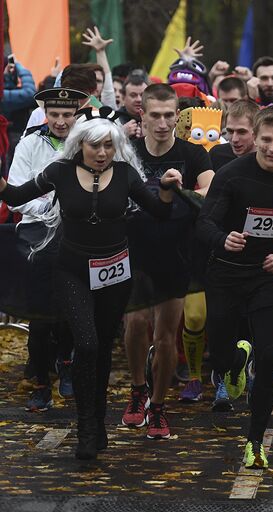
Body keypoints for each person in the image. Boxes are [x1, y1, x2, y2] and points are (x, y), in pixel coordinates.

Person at [0, 109, 182, 459]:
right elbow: (17, 197)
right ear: (79, 145)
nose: (102, 153)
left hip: (115, 274)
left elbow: (158, 212)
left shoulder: (126, 175)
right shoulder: (60, 171)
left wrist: (168, 190)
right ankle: (86, 429)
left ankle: (98, 423)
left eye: (109, 147)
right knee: (85, 345)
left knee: (99, 350)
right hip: (72, 271)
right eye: (95, 146)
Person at [197, 106, 273, 467]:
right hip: (226, 275)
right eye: (266, 140)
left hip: (269, 277)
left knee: (268, 356)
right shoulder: (232, 175)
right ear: (256, 138)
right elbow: (204, 223)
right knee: (218, 355)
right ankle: (233, 362)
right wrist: (223, 238)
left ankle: (255, 442)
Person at [121, 84, 214, 439]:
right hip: (135, 252)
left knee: (164, 337)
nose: (162, 123)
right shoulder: (126, 152)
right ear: (141, 115)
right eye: (155, 115)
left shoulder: (192, 155)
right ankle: (137, 389)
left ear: (178, 115)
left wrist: (179, 190)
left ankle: (158, 406)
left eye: (168, 115)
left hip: (177, 254)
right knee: (134, 325)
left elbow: (211, 191)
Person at [9, 88, 87, 411]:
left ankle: (67, 362)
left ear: (76, 116)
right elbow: (16, 191)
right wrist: (49, 209)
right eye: (54, 115)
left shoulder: (86, 145)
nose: (60, 121)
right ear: (45, 114)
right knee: (40, 314)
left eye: (67, 115)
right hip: (35, 235)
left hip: (75, 234)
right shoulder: (28, 144)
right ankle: (41, 381)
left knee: (72, 305)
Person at [209, 99, 260, 172]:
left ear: (256, 131)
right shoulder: (216, 154)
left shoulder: (268, 160)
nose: (234, 139)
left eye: (242, 132)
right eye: (230, 131)